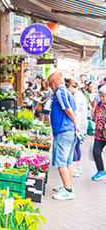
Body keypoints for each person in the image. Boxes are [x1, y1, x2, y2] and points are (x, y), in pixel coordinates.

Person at [48, 72, 79, 200]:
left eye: (50, 84)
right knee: (68, 162)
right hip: (68, 131)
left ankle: (68, 190)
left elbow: (68, 110)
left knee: (61, 163)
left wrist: (75, 124)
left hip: (63, 131)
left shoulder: (60, 92)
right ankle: (67, 185)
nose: (50, 87)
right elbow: (74, 111)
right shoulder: (68, 92)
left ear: (53, 83)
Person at [65, 79, 88, 178]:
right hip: (80, 124)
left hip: (78, 124)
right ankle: (77, 167)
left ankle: (74, 168)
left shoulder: (77, 96)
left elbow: (75, 111)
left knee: (74, 146)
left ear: (70, 87)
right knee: (77, 146)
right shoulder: (79, 94)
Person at [91, 85, 106, 180]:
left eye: (103, 96)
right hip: (99, 133)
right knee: (96, 152)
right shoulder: (99, 105)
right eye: (100, 96)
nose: (101, 98)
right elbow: (95, 117)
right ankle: (101, 170)